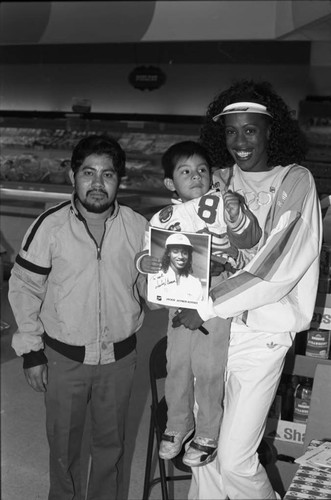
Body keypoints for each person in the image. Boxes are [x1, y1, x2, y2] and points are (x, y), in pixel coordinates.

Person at [172, 80, 323, 499]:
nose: (240, 141)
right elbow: (179, 240)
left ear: (271, 131)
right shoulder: (215, 179)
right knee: (203, 453)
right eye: (231, 131)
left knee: (237, 458)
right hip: (212, 336)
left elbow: (278, 266)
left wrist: (205, 305)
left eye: (250, 129)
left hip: (262, 335)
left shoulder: (296, 182)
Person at [8, 135, 148, 500]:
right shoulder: (49, 227)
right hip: (63, 359)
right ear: (73, 177)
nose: (98, 184)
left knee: (111, 449)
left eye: (108, 175)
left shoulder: (139, 227)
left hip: (119, 360)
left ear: (120, 180)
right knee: (63, 450)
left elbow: (154, 291)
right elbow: (24, 288)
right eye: (88, 173)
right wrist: (32, 352)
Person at [136, 141, 261, 467]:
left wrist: (235, 217)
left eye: (202, 170)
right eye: (185, 171)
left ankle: (208, 431)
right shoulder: (162, 217)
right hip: (180, 298)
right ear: (169, 182)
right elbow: (148, 253)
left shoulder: (223, 204)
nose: (196, 177)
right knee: (176, 365)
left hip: (217, 299)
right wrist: (144, 264)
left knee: (208, 369)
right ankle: (178, 424)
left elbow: (248, 243)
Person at [148, 232, 204, 305]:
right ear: (168, 253)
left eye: (184, 253)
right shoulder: (156, 278)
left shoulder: (195, 283)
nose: (180, 256)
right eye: (175, 252)